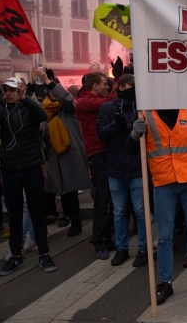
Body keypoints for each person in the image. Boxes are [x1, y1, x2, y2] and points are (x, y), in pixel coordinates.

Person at [128, 109, 187, 305]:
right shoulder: (145, 113)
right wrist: (135, 134)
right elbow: (131, 149)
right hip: (163, 181)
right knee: (165, 236)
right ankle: (165, 282)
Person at [0, 77, 57, 276]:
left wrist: (25, 98)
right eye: (5, 90)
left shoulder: (27, 107)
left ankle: (44, 253)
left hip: (31, 167)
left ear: (19, 91)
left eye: (11, 90)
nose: (7, 93)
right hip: (9, 169)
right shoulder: (2, 108)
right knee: (14, 215)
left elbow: (42, 116)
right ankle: (15, 255)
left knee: (36, 212)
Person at [97, 74, 148, 268]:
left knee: (141, 211)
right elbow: (101, 134)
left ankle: (142, 248)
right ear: (122, 86)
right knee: (119, 212)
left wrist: (128, 126)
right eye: (132, 86)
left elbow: (145, 133)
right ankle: (122, 248)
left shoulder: (140, 109)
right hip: (116, 167)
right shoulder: (107, 108)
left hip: (136, 165)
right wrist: (116, 125)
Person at [34, 68, 89, 238]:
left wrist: (48, 81)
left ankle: (76, 220)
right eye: (49, 93)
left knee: (70, 191)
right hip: (53, 156)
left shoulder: (68, 107)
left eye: (54, 91)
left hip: (68, 155)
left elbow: (66, 99)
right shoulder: (45, 111)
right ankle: (65, 215)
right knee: (60, 190)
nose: (52, 95)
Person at [76, 71, 116, 259]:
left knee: (109, 198)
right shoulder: (85, 101)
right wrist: (118, 80)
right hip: (97, 152)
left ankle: (106, 238)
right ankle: (99, 240)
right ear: (94, 86)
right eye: (104, 84)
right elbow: (110, 102)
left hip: (106, 150)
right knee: (102, 198)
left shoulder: (90, 99)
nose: (106, 87)